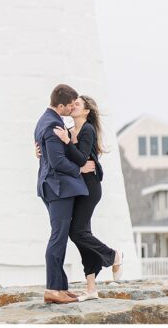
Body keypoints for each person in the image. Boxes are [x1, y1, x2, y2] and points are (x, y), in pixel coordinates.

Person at [52, 95, 123, 299]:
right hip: (76, 186)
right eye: (72, 104)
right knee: (82, 234)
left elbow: (82, 158)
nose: (73, 107)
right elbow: (65, 157)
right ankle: (91, 288)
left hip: (90, 187)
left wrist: (67, 142)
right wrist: (39, 151)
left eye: (78, 105)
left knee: (77, 233)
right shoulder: (68, 130)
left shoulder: (87, 130)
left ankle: (114, 255)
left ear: (86, 111)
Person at [34, 84, 95, 305]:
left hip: (52, 185)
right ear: (60, 105)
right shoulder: (52, 125)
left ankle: (60, 286)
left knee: (59, 235)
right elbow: (58, 161)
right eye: (70, 106)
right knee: (58, 236)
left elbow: (50, 155)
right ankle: (52, 288)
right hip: (57, 187)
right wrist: (79, 168)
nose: (71, 109)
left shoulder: (46, 120)